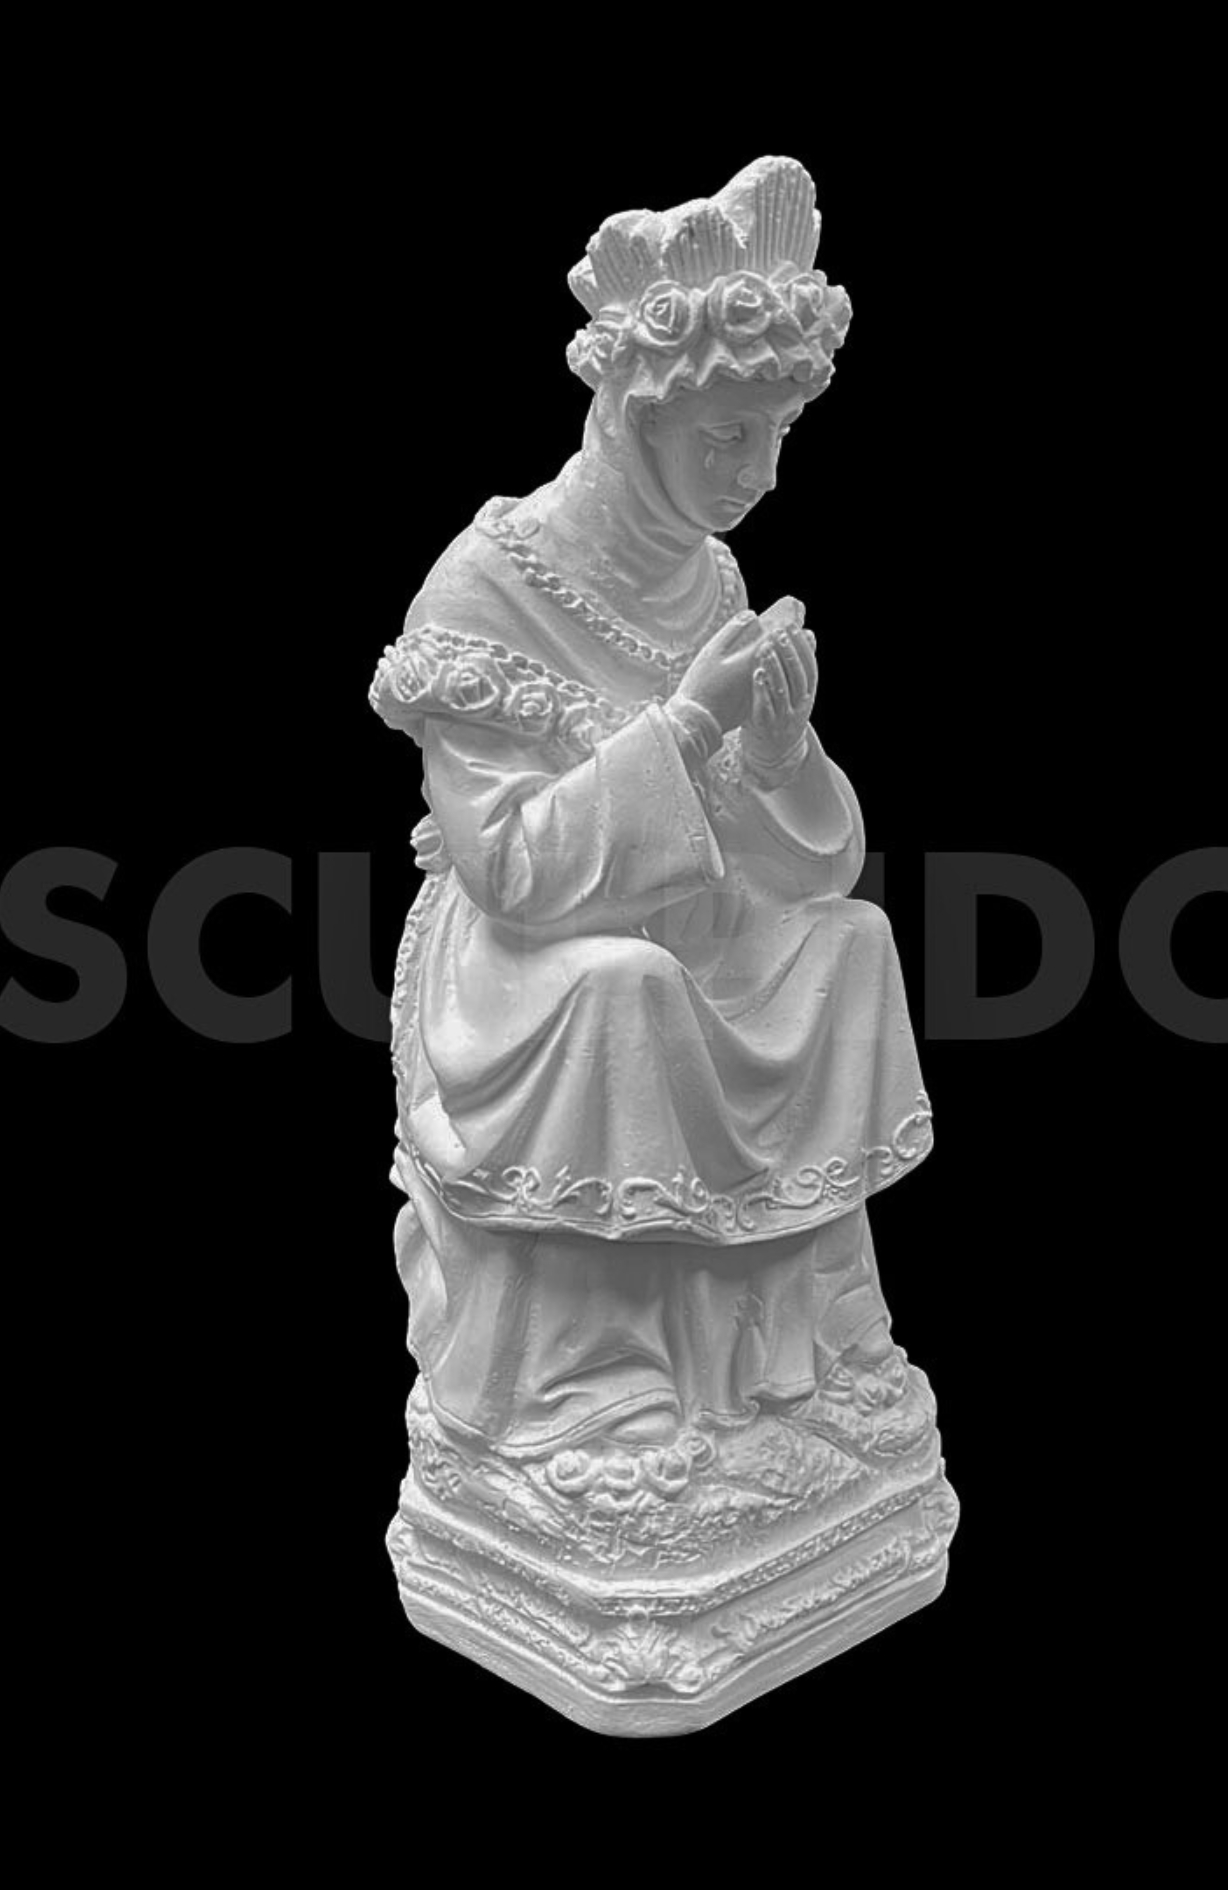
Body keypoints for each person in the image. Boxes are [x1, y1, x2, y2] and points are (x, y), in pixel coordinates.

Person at [369, 157, 932, 1458]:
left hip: (687, 919)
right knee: (624, 987)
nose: (760, 475)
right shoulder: (485, 586)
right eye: (728, 435)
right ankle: (595, 1366)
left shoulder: (711, 574)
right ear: (635, 415)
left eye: (777, 434)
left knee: (850, 943)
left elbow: (800, 869)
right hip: (523, 961)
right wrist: (683, 727)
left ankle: (806, 1328)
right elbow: (510, 869)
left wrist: (778, 753)